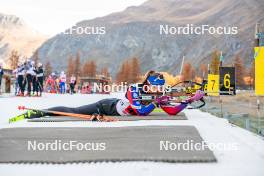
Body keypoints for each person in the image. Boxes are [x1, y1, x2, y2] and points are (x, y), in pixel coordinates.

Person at [15, 71, 204, 120]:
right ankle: (39, 112)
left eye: (161, 89)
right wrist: (156, 102)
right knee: (71, 111)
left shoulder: (156, 95)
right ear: (148, 85)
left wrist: (188, 100)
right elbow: (141, 111)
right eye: (156, 88)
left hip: (116, 110)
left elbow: (172, 111)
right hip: (106, 106)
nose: (158, 91)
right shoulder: (134, 89)